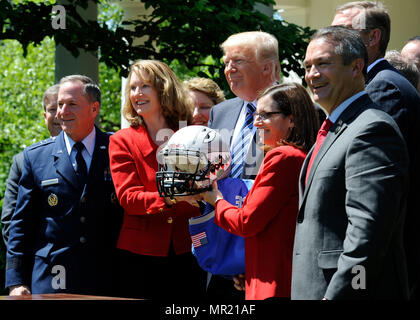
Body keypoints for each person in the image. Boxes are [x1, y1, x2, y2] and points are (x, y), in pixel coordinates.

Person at [292, 26, 409, 300]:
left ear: (356, 67)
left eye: (323, 64)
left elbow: (368, 234)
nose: (312, 74)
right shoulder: (337, 127)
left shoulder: (373, 130)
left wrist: (342, 295)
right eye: (308, 66)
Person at [332, 1, 420, 299]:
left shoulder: (382, 87)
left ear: (373, 38)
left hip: (382, 250)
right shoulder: (379, 82)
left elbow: (369, 181)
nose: (332, 39)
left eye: (343, 31)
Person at [5, 75, 123, 296]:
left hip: (108, 276)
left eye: (72, 104)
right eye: (60, 104)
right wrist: (16, 281)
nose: (62, 112)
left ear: (94, 108)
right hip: (52, 277)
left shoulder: (118, 149)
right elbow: (20, 225)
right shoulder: (35, 157)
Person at [201, 83, 318, 300]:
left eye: (265, 115)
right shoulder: (298, 155)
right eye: (256, 114)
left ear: (291, 119)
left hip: (274, 282)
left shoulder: (283, 157)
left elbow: (246, 221)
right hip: (269, 273)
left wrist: (216, 200)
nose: (256, 122)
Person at [108, 59, 206, 300]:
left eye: (144, 87)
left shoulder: (192, 132)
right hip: (139, 257)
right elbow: (129, 199)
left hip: (192, 249)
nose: (136, 94)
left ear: (163, 89)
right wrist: (173, 195)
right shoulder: (122, 141)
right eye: (132, 88)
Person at [206, 30, 281, 298]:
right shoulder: (221, 111)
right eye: (226, 62)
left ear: (267, 67)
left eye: (238, 61)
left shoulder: (300, 111)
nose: (229, 69)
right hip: (221, 248)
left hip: (269, 252)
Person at [2, 84, 61, 245]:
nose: (58, 115)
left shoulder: (89, 155)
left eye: (62, 107)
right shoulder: (23, 161)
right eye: (52, 109)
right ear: (44, 116)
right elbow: (10, 222)